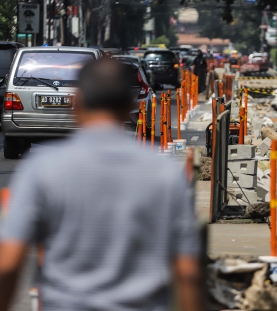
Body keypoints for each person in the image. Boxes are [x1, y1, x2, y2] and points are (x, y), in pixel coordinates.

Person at [0, 59, 203, 311]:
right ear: (129, 104)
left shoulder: (42, 168)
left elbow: (8, 264)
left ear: (76, 102)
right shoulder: (165, 172)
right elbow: (188, 271)